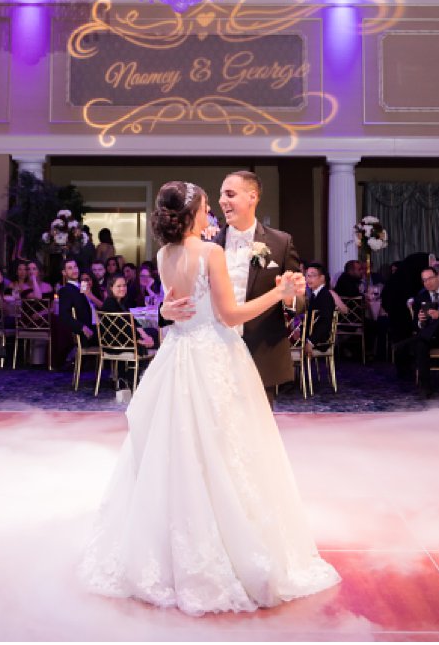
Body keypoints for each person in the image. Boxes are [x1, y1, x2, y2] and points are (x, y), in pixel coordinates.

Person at [82, 181, 338, 615]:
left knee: (180, 453)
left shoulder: (165, 255)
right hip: (216, 356)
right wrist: (276, 293)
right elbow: (228, 314)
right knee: (227, 452)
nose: (215, 209)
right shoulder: (211, 251)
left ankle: (170, 552)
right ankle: (229, 546)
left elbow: (173, 302)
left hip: (178, 358)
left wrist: (166, 311)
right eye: (208, 203)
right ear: (194, 212)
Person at [203, 170, 307, 393]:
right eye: (221, 195)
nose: (222, 201)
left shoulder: (281, 242)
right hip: (213, 349)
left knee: (258, 426)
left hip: (261, 351)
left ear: (252, 197)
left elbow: (299, 302)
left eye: (230, 194)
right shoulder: (208, 244)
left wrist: (289, 297)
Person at [393, 265, 439, 395]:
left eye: (430, 279)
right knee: (421, 345)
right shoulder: (420, 297)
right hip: (430, 337)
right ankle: (425, 387)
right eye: (424, 280)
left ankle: (410, 341)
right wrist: (420, 320)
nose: (427, 283)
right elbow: (416, 325)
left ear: (438, 278)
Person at [102, 274, 157, 350]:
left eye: (124, 285)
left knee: (153, 332)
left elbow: (133, 322)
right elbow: (121, 328)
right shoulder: (110, 304)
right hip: (118, 342)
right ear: (111, 288)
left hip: (127, 337)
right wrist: (140, 340)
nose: (122, 288)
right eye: (119, 286)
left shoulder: (122, 302)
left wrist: (145, 336)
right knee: (156, 338)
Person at [304, 264, 337, 349]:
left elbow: (325, 322)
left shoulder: (325, 296)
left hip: (319, 340)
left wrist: (311, 341)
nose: (308, 279)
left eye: (313, 275)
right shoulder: (314, 295)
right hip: (310, 336)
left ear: (322, 278)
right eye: (307, 276)